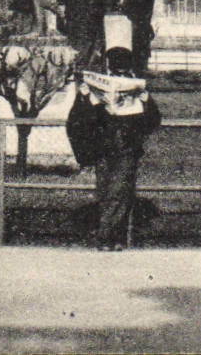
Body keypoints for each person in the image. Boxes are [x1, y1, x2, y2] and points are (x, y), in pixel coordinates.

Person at [66, 46, 161, 251]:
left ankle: (105, 236)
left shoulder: (137, 87)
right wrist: (85, 97)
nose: (120, 72)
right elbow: (78, 117)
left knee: (119, 190)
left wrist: (146, 100)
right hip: (103, 146)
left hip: (126, 146)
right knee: (105, 191)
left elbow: (154, 119)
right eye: (117, 68)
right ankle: (114, 237)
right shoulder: (95, 85)